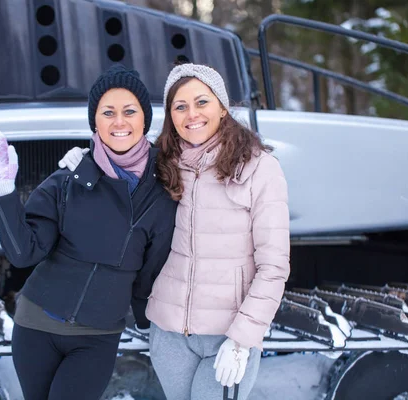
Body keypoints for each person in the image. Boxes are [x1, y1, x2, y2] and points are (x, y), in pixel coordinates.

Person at [59, 63, 290, 400]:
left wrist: (242, 339)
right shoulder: (164, 161)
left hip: (227, 335)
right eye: (180, 106)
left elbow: (274, 266)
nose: (191, 114)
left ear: (222, 107)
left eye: (202, 102)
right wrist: (86, 162)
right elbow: (119, 162)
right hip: (168, 334)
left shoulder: (259, 167)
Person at [0, 65, 177, 400]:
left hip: (96, 336)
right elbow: (23, 252)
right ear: (95, 122)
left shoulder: (161, 193)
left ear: (144, 119)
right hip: (35, 325)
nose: (119, 121)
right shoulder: (68, 180)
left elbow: (151, 272)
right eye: (108, 112)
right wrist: (3, 191)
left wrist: (151, 324)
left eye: (129, 111)